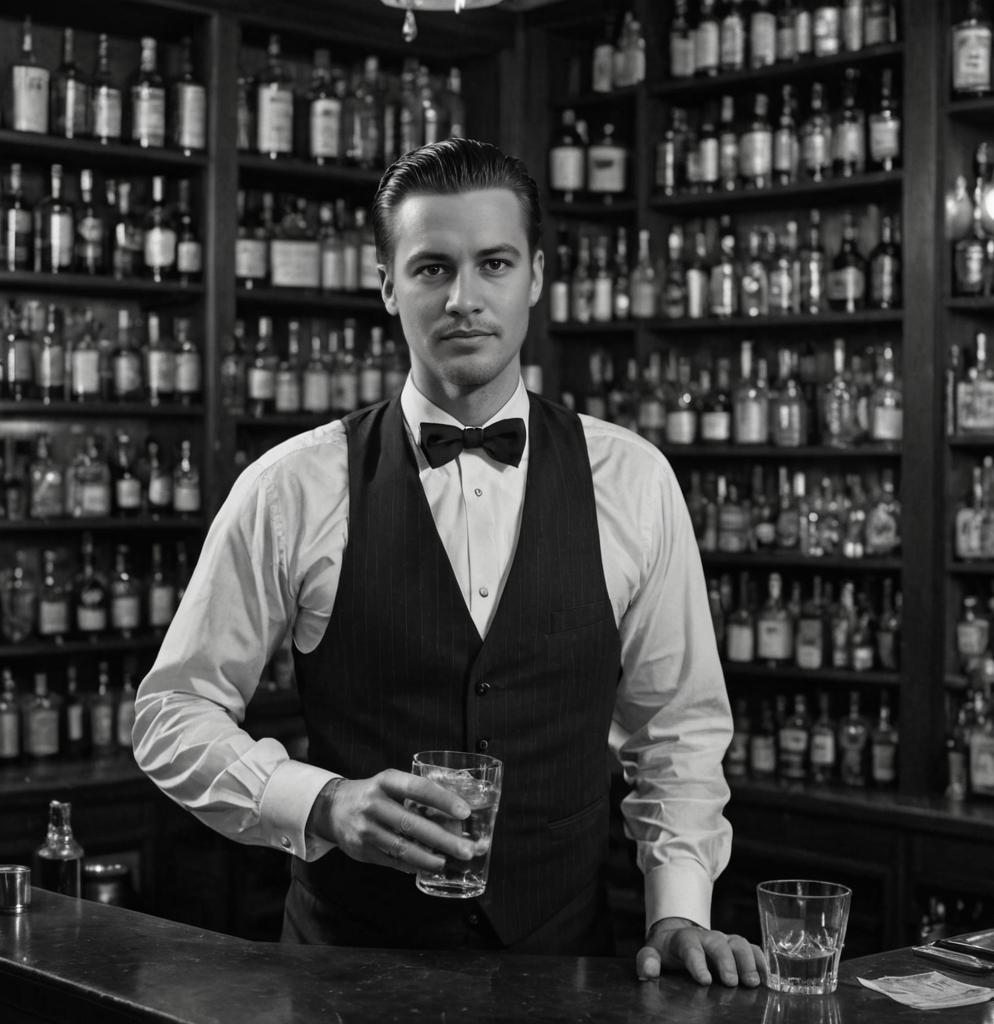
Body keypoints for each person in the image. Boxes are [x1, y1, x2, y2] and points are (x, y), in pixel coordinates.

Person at [133, 137, 765, 986]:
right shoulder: (294, 484)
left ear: (535, 277)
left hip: (568, 967)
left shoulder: (634, 479)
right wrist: (322, 802)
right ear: (388, 284)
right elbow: (171, 713)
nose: (464, 298)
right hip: (343, 976)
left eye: (494, 264)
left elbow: (678, 732)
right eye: (432, 268)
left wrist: (680, 910)